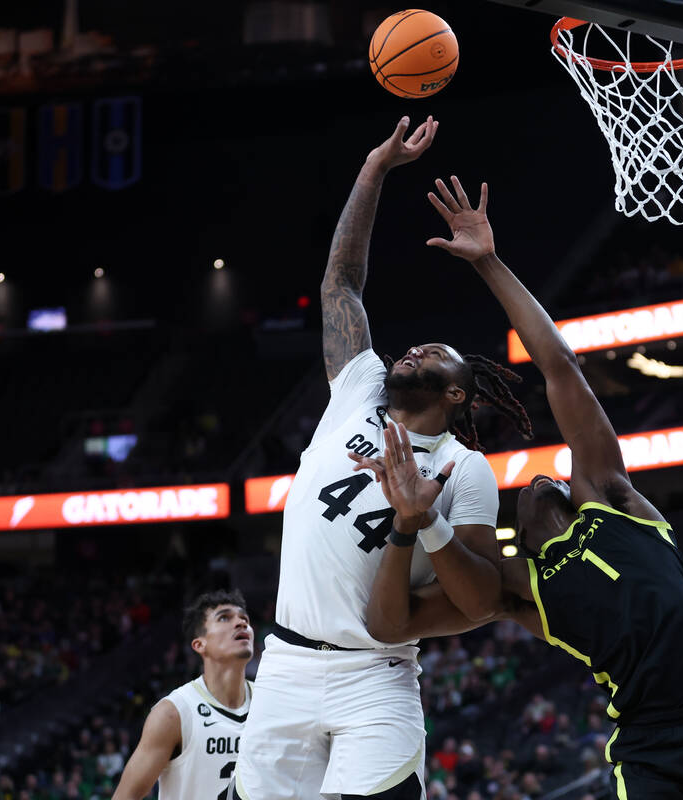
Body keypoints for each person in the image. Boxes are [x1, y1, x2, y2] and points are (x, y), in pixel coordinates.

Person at [353, 176, 683, 799]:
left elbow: (559, 367)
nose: (541, 477)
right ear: (519, 531)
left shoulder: (614, 502)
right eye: (534, 483)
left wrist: (490, 264)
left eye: (554, 475)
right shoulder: (523, 588)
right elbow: (397, 623)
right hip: (652, 745)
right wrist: (416, 524)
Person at [233, 118, 532, 800]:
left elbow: (481, 597)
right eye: (414, 344)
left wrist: (422, 520)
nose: (415, 347)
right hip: (282, 665)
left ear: (457, 392)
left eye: (435, 352)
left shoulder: (463, 467)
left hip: (377, 672)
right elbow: (342, 283)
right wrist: (374, 170)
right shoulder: (361, 386)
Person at [112, 590, 254, 800]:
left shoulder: (270, 704)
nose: (241, 623)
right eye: (224, 617)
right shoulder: (174, 713)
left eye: (245, 619)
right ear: (200, 644)